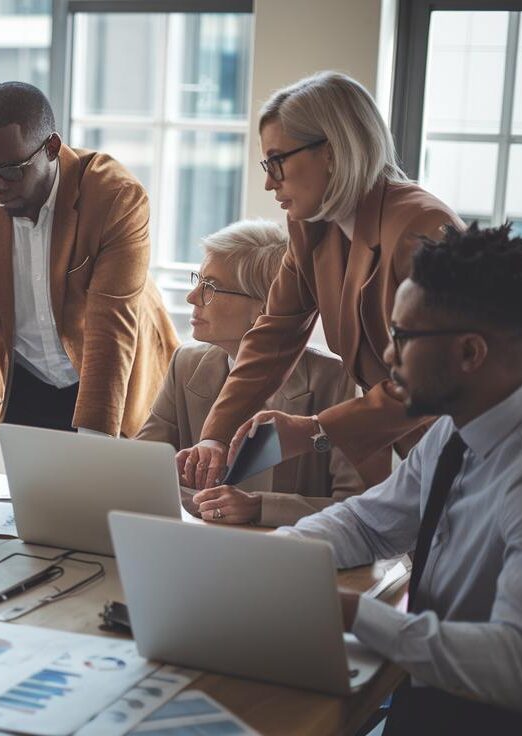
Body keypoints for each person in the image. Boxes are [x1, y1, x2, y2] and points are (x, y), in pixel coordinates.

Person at [275, 225, 522, 732]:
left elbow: (511, 664)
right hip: (427, 705)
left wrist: (353, 614)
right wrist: (279, 557)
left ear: (471, 353)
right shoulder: (453, 432)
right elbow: (368, 522)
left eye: (402, 339)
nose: (388, 357)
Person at [177, 71, 463, 492]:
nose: (268, 182)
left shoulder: (421, 227)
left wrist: (312, 429)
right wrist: (214, 434)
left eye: (277, 162)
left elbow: (436, 379)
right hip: (415, 446)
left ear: (330, 152)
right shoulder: (311, 226)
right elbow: (273, 335)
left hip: (478, 448)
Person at [0, 82, 178, 487]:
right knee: (35, 522)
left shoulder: (114, 197)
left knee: (104, 520)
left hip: (111, 383)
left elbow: (111, 329)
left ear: (52, 148)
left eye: (10, 170)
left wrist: (92, 450)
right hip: (25, 381)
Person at [135, 220, 364, 526]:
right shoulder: (186, 365)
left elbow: (357, 506)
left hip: (288, 558)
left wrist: (259, 507)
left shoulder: (335, 380)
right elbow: (138, 470)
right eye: (197, 280)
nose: (192, 297)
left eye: (210, 287)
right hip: (196, 546)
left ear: (265, 308)